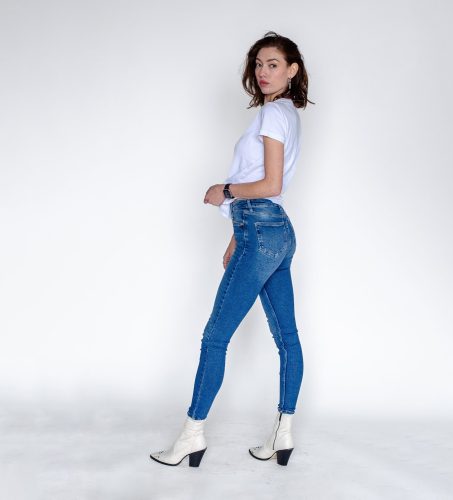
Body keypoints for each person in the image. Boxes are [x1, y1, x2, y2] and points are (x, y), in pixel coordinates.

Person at [150, 31, 314, 468]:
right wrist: (235, 236)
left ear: (292, 70)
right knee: (288, 338)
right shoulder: (285, 114)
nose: (263, 72)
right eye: (258, 64)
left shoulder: (273, 115)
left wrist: (222, 190)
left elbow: (270, 184)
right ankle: (282, 434)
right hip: (273, 232)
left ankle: (191, 436)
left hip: (261, 229)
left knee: (215, 337)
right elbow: (268, 189)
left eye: (273, 64)